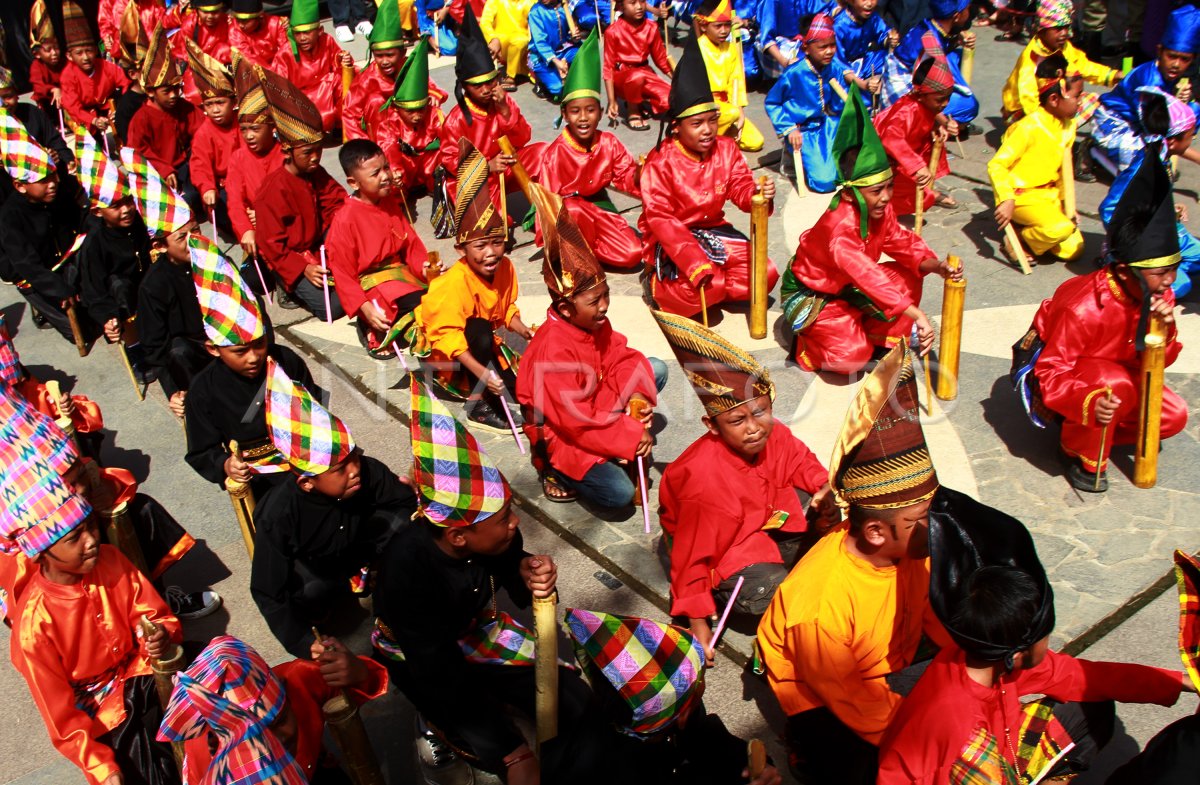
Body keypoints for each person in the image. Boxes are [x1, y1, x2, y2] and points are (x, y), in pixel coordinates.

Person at [372, 378, 615, 784]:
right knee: (480, 733)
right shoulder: (406, 570)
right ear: (458, 536)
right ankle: (430, 722)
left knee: (573, 698)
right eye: (503, 519)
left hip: (476, 632)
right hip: (421, 655)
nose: (515, 523)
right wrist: (511, 751)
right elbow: (439, 668)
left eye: (510, 511)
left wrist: (526, 571)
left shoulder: (494, 537)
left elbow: (508, 562)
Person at [877, 492, 1194, 782]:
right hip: (973, 771)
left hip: (1000, 748)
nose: (1049, 642)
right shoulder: (968, 745)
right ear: (1017, 653)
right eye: (1045, 636)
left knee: (1092, 706)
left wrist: (1177, 680)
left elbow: (1080, 676)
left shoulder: (979, 655)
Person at [756, 344, 954, 785]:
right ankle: (804, 744)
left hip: (876, 655)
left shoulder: (910, 546)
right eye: (922, 519)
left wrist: (978, 660)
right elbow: (857, 700)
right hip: (818, 686)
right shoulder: (820, 612)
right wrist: (940, 736)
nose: (935, 527)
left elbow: (936, 615)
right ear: (876, 533)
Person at [653, 309, 834, 660]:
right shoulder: (704, 483)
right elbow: (692, 554)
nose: (754, 428)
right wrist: (698, 623)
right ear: (712, 425)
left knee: (824, 500)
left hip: (761, 518)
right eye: (737, 420)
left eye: (761, 412)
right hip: (720, 547)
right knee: (773, 593)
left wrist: (823, 487)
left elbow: (800, 461)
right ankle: (733, 593)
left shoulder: (772, 431)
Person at [1011, 151, 1188, 493]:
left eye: (1172, 269)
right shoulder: (1082, 307)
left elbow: (1160, 362)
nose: (1170, 280)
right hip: (1070, 383)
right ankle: (1078, 449)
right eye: (1161, 272)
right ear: (1125, 271)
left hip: (1120, 376)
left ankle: (1103, 427)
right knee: (1113, 384)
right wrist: (1088, 404)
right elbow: (1051, 372)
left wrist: (1164, 331)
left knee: (1173, 415)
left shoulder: (1159, 295)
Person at [3, 462, 183, 785]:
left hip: (143, 669)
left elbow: (155, 617)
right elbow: (63, 720)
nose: (91, 540)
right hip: (105, 714)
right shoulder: (32, 629)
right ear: (42, 553)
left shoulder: (110, 559)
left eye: (90, 526)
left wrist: (157, 635)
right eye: (75, 537)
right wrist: (103, 768)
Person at [783, 85, 957, 374]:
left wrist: (936, 265)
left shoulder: (880, 208)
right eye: (877, 190)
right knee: (850, 358)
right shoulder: (840, 227)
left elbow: (903, 242)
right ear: (851, 193)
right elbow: (867, 273)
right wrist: (915, 314)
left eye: (890, 186)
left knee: (911, 273)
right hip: (814, 294)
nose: (887, 196)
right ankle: (809, 345)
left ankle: (867, 331)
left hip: (849, 286)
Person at [253, 359, 417, 657]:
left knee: (405, 526)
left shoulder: (365, 470)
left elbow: (402, 504)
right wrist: (303, 642)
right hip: (317, 565)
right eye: (340, 468)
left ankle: (385, 582)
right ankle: (324, 613)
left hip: (358, 545)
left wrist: (414, 495)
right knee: (311, 590)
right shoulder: (277, 515)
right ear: (306, 483)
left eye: (354, 456)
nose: (354, 469)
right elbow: (267, 589)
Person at [517, 197, 664, 506]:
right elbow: (576, 420)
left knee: (653, 368)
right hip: (565, 431)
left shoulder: (596, 323)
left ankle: (615, 441)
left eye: (606, 295)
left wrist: (636, 396)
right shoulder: (552, 350)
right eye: (594, 301)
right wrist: (627, 434)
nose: (604, 306)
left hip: (594, 402)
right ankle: (553, 471)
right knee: (619, 494)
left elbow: (622, 357)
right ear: (565, 309)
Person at [639, 36, 778, 318]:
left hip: (714, 231)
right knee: (706, 287)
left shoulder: (725, 148)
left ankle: (716, 280)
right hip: (673, 240)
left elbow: (739, 184)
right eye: (697, 123)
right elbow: (661, 219)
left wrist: (756, 195)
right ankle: (656, 281)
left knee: (765, 275)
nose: (707, 130)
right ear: (676, 128)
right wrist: (694, 263)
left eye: (712, 121)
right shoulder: (660, 161)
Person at [565, 608, 784, 785]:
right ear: (682, 716)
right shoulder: (616, 772)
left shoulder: (666, 719)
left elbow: (715, 741)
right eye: (700, 682)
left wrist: (754, 763)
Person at [183, 234, 317, 502]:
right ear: (213, 349)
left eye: (258, 344)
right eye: (240, 352)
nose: (254, 357)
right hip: (259, 475)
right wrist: (225, 464)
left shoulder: (285, 360)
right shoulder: (203, 390)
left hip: (306, 457)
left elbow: (315, 407)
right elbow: (201, 450)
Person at [160, 635, 389, 784]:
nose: (275, 742)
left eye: (279, 721)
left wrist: (359, 672)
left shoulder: (298, 679)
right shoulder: (202, 751)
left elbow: (360, 687)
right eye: (256, 737)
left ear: (286, 695)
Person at [418, 139, 533, 430]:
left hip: (481, 343)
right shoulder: (453, 284)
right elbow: (449, 340)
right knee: (480, 330)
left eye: (497, 243)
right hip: (448, 355)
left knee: (524, 387)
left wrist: (524, 329)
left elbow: (506, 309)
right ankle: (478, 404)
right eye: (480, 245)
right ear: (461, 250)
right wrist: (484, 373)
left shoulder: (504, 266)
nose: (491, 253)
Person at [535, 29, 643, 269]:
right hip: (569, 217)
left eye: (590, 110)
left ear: (601, 112)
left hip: (599, 209)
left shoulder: (608, 142)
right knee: (573, 209)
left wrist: (641, 175)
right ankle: (574, 252)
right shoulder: (555, 154)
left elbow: (626, 176)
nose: (583, 118)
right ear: (564, 114)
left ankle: (584, 253)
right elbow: (547, 204)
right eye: (575, 111)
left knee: (633, 253)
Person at [254, 67, 349, 321]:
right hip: (292, 259)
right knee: (335, 307)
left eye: (318, 150)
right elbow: (272, 245)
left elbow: (337, 201)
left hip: (319, 245)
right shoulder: (271, 190)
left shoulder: (315, 172)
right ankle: (287, 287)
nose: (315, 157)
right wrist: (303, 267)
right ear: (288, 151)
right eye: (307, 152)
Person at [325, 139, 432, 358]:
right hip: (371, 283)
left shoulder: (389, 202)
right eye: (375, 174)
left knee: (438, 293)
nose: (385, 176)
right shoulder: (344, 220)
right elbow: (343, 274)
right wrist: (363, 306)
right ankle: (368, 326)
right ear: (353, 183)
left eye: (386, 167)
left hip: (399, 273)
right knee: (417, 305)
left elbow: (410, 244)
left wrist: (425, 267)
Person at [130, 147, 210, 418]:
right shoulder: (153, 286)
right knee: (178, 351)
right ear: (160, 245)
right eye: (181, 237)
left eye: (196, 231)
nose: (193, 241)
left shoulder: (216, 262)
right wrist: (173, 391)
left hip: (230, 344)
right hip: (194, 354)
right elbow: (156, 349)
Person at [1099, 88, 1200, 298]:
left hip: (1165, 233)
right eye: (1192, 134)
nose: (1194, 138)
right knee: (1179, 285)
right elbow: (1109, 209)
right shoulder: (1141, 166)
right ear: (1173, 140)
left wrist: (1166, 208)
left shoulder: (1159, 157)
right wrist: (1136, 245)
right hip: (1143, 247)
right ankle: (1122, 272)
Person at [437, 7, 538, 214]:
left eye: (490, 82)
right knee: (496, 226)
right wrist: (487, 166)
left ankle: (546, 209)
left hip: (504, 167)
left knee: (543, 154)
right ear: (464, 86)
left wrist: (504, 111)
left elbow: (523, 138)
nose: (485, 90)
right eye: (477, 85)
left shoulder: (503, 101)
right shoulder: (456, 120)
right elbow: (451, 161)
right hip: (475, 180)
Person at [990, 54, 1085, 265]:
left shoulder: (1068, 125)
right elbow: (997, 164)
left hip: (1048, 197)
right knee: (1060, 229)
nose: (1081, 102)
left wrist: (1070, 209)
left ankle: (1032, 232)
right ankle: (1017, 238)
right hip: (1022, 197)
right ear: (1053, 99)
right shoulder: (1028, 126)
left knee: (1073, 249)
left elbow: (1066, 171)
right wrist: (1006, 199)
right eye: (1077, 96)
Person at [343, 0, 450, 181]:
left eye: (390, 55)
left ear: (401, 53)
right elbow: (349, 113)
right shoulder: (367, 79)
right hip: (382, 137)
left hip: (413, 127)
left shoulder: (409, 67)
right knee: (377, 102)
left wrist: (432, 96)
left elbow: (433, 89)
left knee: (434, 111)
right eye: (379, 56)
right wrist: (364, 150)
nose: (384, 61)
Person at [0, 122, 86, 345]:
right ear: (20, 186)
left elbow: (80, 222)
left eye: (54, 176)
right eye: (43, 181)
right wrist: (58, 289)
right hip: (37, 275)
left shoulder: (59, 195)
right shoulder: (10, 217)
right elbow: (26, 264)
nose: (53, 184)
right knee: (78, 333)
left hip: (66, 260)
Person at [1091, 4, 1200, 174]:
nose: (1176, 65)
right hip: (1115, 125)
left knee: (1193, 111)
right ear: (1159, 51)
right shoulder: (1149, 81)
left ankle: (1160, 161)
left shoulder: (1173, 76)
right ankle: (1096, 153)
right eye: (1171, 56)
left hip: (1146, 125)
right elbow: (1157, 131)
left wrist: (1182, 103)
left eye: (1184, 59)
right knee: (1140, 175)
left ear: (1192, 59)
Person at [75, 134, 151, 355]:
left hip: (149, 282)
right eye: (116, 206)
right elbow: (94, 291)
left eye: (128, 201)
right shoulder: (94, 243)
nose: (126, 209)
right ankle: (134, 346)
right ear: (98, 211)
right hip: (122, 296)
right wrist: (108, 318)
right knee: (119, 286)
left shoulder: (142, 221)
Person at [763, 12, 849, 194]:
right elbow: (772, 103)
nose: (829, 51)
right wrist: (789, 128)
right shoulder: (794, 73)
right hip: (804, 131)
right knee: (824, 182)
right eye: (823, 47)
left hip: (828, 124)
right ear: (806, 48)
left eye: (833, 46)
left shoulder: (834, 68)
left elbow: (839, 104)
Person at [125, 24, 203, 217]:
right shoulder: (141, 119)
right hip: (159, 175)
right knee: (184, 202)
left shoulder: (183, 107)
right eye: (166, 91)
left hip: (186, 165)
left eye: (177, 89)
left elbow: (201, 131)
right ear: (150, 91)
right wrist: (165, 170)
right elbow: (138, 153)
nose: (174, 95)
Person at [1000, 0, 1119, 124]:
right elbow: (1028, 99)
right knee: (1061, 115)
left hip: (1048, 103)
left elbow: (1084, 66)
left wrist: (1113, 75)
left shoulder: (1064, 47)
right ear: (1042, 30)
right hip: (1022, 113)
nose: (1064, 34)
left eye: (1066, 28)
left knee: (1091, 100)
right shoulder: (1031, 58)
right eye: (1058, 29)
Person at [873, 45, 956, 216]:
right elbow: (891, 139)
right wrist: (916, 166)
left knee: (923, 195)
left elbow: (926, 119)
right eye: (940, 100)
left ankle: (927, 193)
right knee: (917, 199)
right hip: (882, 161)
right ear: (920, 95)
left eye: (948, 97)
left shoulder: (923, 104)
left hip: (901, 158)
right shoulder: (906, 111)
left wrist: (937, 126)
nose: (946, 104)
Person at [226, 52, 284, 267]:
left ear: (272, 128)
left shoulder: (285, 154)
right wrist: (246, 229)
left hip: (283, 227)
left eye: (255, 129)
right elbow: (234, 201)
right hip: (256, 228)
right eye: (244, 130)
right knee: (253, 280)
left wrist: (264, 218)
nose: (249, 136)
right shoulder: (238, 158)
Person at [882, 0, 979, 128]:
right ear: (956, 16)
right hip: (905, 91)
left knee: (956, 56)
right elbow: (921, 94)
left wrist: (957, 38)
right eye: (967, 8)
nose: (970, 12)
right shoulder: (931, 46)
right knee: (969, 105)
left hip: (917, 77)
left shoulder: (931, 24)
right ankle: (935, 127)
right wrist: (944, 121)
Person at [272, 0, 356, 137]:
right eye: (298, 34)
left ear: (320, 31)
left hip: (328, 94)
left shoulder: (327, 40)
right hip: (302, 104)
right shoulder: (285, 54)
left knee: (347, 79)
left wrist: (344, 60)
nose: (302, 38)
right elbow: (278, 89)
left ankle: (347, 128)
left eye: (307, 32)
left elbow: (338, 66)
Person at [185, 39, 240, 241]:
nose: (215, 110)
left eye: (220, 103)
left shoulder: (243, 123)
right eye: (209, 105)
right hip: (224, 187)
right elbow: (199, 166)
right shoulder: (203, 133)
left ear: (233, 102)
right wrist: (208, 187)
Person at [375, 39, 445, 196]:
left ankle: (434, 184)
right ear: (396, 108)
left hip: (428, 163)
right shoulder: (389, 121)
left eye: (421, 109)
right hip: (404, 166)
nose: (416, 116)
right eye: (410, 111)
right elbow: (387, 147)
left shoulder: (434, 114)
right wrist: (395, 170)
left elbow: (449, 139)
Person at [694, 0, 763, 151]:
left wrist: (741, 112)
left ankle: (722, 139)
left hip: (728, 107)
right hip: (706, 107)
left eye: (727, 25)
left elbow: (736, 82)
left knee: (756, 141)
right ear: (704, 25)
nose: (724, 31)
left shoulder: (731, 49)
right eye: (718, 26)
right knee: (731, 113)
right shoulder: (698, 49)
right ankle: (713, 144)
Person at [0, 66, 73, 203]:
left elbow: (56, 142)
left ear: (17, 94)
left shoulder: (31, 113)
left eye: (8, 96)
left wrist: (57, 158)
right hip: (10, 191)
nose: (3, 104)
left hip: (47, 183)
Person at [59, 0, 130, 137]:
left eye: (89, 51)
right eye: (79, 53)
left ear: (96, 50)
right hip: (83, 115)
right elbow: (74, 108)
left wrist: (121, 107)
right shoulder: (67, 76)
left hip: (108, 107)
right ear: (69, 56)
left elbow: (125, 82)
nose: (86, 57)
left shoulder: (104, 66)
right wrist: (93, 120)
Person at [602, 0, 673, 129]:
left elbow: (661, 60)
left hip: (645, 73)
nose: (639, 7)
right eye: (633, 3)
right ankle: (632, 110)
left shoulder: (651, 27)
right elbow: (608, 68)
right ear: (621, 7)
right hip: (622, 77)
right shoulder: (612, 32)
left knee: (672, 101)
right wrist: (612, 101)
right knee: (636, 76)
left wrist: (678, 81)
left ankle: (641, 101)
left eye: (642, 1)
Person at [829, 0, 897, 101]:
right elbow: (839, 64)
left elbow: (883, 35)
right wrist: (864, 85)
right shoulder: (839, 26)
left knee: (889, 57)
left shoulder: (873, 17)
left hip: (863, 62)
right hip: (844, 69)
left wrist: (891, 39)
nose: (869, 3)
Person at [172, 0, 233, 104]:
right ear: (197, 10)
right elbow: (186, 53)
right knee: (195, 95)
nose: (210, 16)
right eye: (205, 12)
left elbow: (234, 48)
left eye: (215, 12)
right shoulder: (190, 23)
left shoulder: (228, 22)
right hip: (195, 67)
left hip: (221, 67)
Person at [757, 0, 831, 79]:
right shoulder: (771, 2)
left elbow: (823, 15)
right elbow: (767, 38)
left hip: (803, 42)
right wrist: (785, 62)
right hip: (780, 45)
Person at [528, 0, 584, 101]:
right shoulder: (535, 12)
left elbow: (570, 32)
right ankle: (540, 82)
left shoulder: (565, 7)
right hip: (543, 57)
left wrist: (575, 36)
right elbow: (540, 42)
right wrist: (556, 62)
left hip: (564, 50)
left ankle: (568, 70)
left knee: (584, 54)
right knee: (559, 90)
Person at [481, 0, 536, 91]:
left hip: (526, 43)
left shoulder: (531, 2)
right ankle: (510, 76)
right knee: (519, 41)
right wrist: (493, 38)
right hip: (501, 42)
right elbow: (485, 22)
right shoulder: (495, 1)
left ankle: (521, 70)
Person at [228, 0, 291, 68]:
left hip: (279, 68)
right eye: (238, 20)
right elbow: (247, 57)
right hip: (254, 71)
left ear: (260, 16)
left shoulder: (276, 24)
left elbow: (286, 53)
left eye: (245, 21)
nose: (240, 25)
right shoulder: (235, 29)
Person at [28, 3, 65, 114]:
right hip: (49, 105)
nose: (54, 53)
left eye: (56, 48)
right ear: (37, 54)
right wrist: (53, 89)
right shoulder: (37, 66)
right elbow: (38, 87)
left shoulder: (64, 62)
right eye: (48, 50)